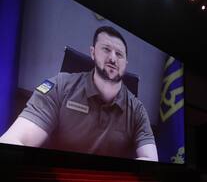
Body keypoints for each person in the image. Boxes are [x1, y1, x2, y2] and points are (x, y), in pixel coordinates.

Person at [0, 26, 158, 161]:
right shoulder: (60, 86)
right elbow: (16, 139)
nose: (113, 58)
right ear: (93, 52)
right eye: (106, 49)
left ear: (125, 63)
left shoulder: (137, 109)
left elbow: (151, 160)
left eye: (119, 54)